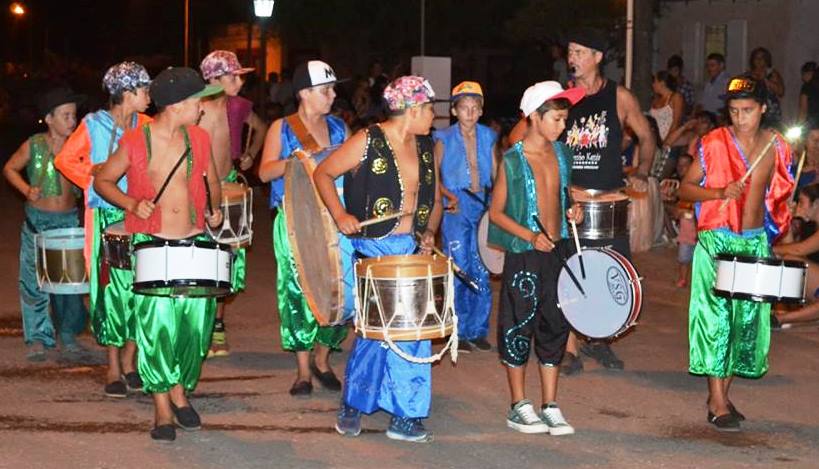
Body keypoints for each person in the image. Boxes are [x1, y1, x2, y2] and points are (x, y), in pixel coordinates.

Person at [510, 28, 656, 374]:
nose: (571, 58)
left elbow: (647, 136)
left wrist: (643, 170)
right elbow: (518, 137)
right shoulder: (563, 98)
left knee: (609, 274)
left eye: (579, 52)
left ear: (597, 57)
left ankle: (599, 338)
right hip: (570, 200)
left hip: (608, 200)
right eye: (570, 52)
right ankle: (570, 347)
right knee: (569, 272)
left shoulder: (619, 97)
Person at [93, 66, 224, 442]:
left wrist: (214, 208)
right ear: (178, 105)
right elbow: (103, 180)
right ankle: (163, 407)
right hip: (152, 245)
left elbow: (212, 180)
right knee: (157, 330)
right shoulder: (136, 140)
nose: (201, 107)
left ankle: (179, 391)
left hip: (194, 244)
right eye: (197, 101)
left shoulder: (199, 138)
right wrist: (131, 204)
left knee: (193, 331)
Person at [314, 75, 442, 443]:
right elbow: (323, 173)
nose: (433, 116)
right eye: (429, 109)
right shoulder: (367, 140)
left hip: (411, 250)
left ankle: (406, 414)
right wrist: (340, 214)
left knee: (414, 333)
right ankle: (354, 403)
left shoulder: (426, 146)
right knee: (376, 334)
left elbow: (431, 200)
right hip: (375, 250)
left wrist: (429, 232)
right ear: (412, 109)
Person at [678, 75, 794, 432]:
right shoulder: (714, 143)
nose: (740, 117)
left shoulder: (776, 146)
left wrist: (781, 222)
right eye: (733, 111)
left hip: (755, 241)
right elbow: (685, 187)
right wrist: (717, 193)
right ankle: (716, 401)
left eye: (747, 110)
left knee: (745, 326)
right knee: (716, 322)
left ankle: (721, 396)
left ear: (763, 108)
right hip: (718, 241)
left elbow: (779, 196)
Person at [488, 80, 584, 435]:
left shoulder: (562, 154)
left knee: (555, 324)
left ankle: (550, 404)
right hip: (526, 255)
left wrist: (573, 211)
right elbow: (496, 213)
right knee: (518, 325)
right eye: (557, 119)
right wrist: (530, 236)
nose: (563, 126)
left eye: (564, 119)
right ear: (533, 117)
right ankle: (518, 404)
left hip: (558, 251)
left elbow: (564, 196)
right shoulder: (513, 161)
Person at [55, 61, 152, 397]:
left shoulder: (149, 125)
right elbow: (65, 160)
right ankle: (113, 367)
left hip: (140, 214)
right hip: (105, 215)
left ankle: (130, 362)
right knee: (110, 292)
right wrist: (93, 174)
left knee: (141, 288)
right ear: (126, 93)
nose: (149, 96)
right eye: (144, 89)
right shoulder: (93, 125)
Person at [258, 60, 350, 397]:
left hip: (334, 216)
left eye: (333, 89)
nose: (333, 95)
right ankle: (302, 371)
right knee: (295, 291)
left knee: (340, 288)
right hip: (294, 220)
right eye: (326, 90)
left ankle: (322, 359)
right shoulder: (282, 128)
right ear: (304, 93)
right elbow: (264, 172)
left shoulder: (340, 128)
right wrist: (300, 161)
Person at [3, 87, 88, 362]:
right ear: (49, 119)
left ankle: (68, 334)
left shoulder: (79, 145)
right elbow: (9, 168)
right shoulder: (34, 144)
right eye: (66, 115)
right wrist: (26, 189)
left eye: (74, 115)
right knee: (33, 281)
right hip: (37, 221)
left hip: (68, 221)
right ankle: (38, 337)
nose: (72, 121)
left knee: (70, 282)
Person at [198, 50, 268, 358]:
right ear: (213, 79)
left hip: (227, 185)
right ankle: (198, 327)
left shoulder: (237, 106)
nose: (240, 83)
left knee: (225, 261)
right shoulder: (194, 109)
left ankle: (217, 326)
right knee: (199, 262)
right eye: (233, 77)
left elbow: (261, 127)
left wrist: (250, 153)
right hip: (198, 189)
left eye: (240, 77)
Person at [432, 81, 497, 352]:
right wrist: (447, 196)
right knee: (459, 266)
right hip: (456, 207)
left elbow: (496, 174)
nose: (469, 113)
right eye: (464, 107)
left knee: (481, 265)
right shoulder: (443, 138)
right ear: (454, 111)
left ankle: (477, 330)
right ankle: (456, 330)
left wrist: (497, 205)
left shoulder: (489, 136)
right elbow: (433, 176)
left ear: (481, 110)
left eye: (474, 107)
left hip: (482, 205)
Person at [774, 184, 819, 325]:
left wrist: (771, 249)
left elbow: (799, 250)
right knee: (790, 263)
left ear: (816, 204)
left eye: (801, 202)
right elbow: (791, 251)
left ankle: (780, 319)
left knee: (790, 260)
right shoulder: (811, 227)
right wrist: (786, 219)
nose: (798, 206)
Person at [747, 47, 785, 128]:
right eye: (757, 58)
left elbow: (780, 91)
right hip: (754, 110)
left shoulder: (772, 74)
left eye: (762, 58)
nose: (759, 60)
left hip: (770, 111)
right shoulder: (748, 75)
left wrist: (765, 80)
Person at [650, 70, 685, 146]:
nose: (653, 85)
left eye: (655, 82)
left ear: (662, 83)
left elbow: (676, 122)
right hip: (654, 141)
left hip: (668, 141)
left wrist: (666, 141)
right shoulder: (656, 100)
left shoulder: (676, 97)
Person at [798, 62, 819, 127]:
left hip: (812, 125)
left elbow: (803, 110)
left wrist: (799, 125)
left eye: (803, 74)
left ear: (809, 73)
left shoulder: (807, 87)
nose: (802, 78)